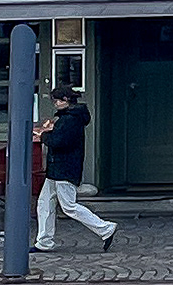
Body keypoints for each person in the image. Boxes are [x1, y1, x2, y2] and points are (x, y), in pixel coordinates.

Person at [33, 88, 114, 250]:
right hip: (59, 167)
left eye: (56, 100)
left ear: (65, 100)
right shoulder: (71, 117)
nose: (55, 104)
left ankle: (105, 228)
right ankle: (44, 241)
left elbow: (59, 141)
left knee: (68, 206)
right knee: (44, 202)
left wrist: (43, 135)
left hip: (63, 167)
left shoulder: (69, 120)